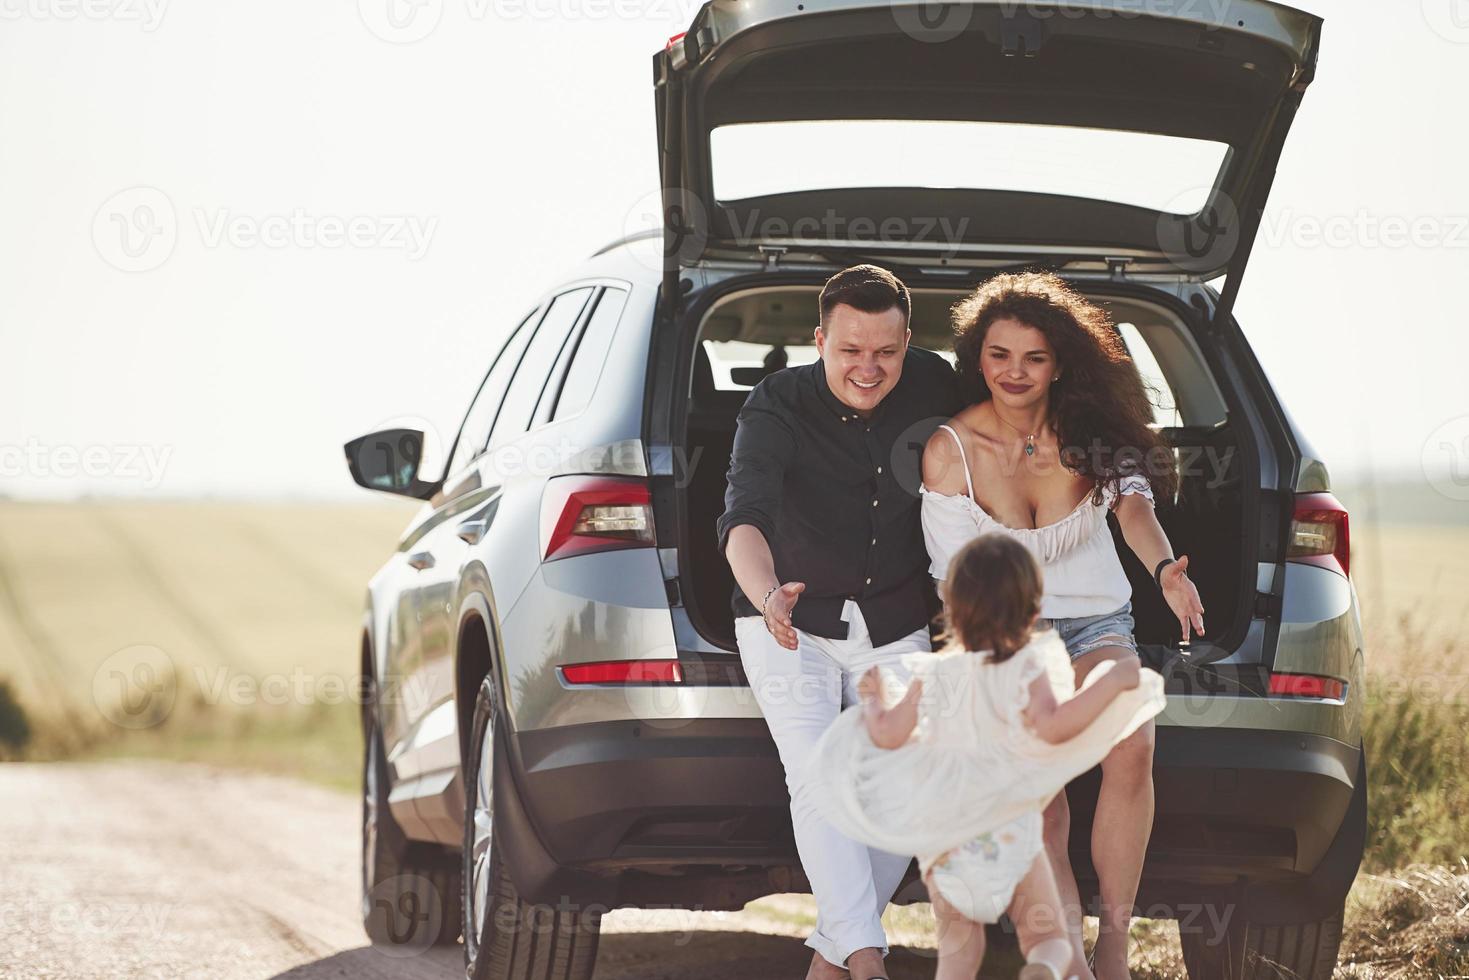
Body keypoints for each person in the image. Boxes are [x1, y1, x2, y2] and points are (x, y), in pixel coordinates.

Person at [919, 271, 1206, 980]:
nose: (1014, 373)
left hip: (1095, 622)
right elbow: (955, 581)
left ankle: (1114, 940)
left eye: (1034, 358)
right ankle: (1065, 957)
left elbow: (1134, 511)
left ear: (1059, 364)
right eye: (998, 355)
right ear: (976, 358)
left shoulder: (1091, 434)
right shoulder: (949, 450)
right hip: (1007, 638)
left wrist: (1165, 570)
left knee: (1130, 743)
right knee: (1040, 801)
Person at [719, 264, 962, 980]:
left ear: (907, 342)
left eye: (884, 352)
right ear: (819, 339)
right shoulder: (775, 404)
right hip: (786, 622)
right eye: (849, 350)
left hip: (892, 616)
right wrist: (767, 596)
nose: (868, 367)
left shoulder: (934, 383)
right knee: (817, 776)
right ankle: (864, 962)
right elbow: (744, 517)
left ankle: (830, 957)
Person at [811, 533, 1166, 980]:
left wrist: (877, 700)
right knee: (1049, 938)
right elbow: (1057, 724)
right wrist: (1111, 684)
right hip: (1012, 838)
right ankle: (1045, 966)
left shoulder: (934, 676)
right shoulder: (1028, 673)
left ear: (951, 612)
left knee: (959, 957)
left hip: (949, 848)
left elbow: (888, 733)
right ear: (1034, 613)